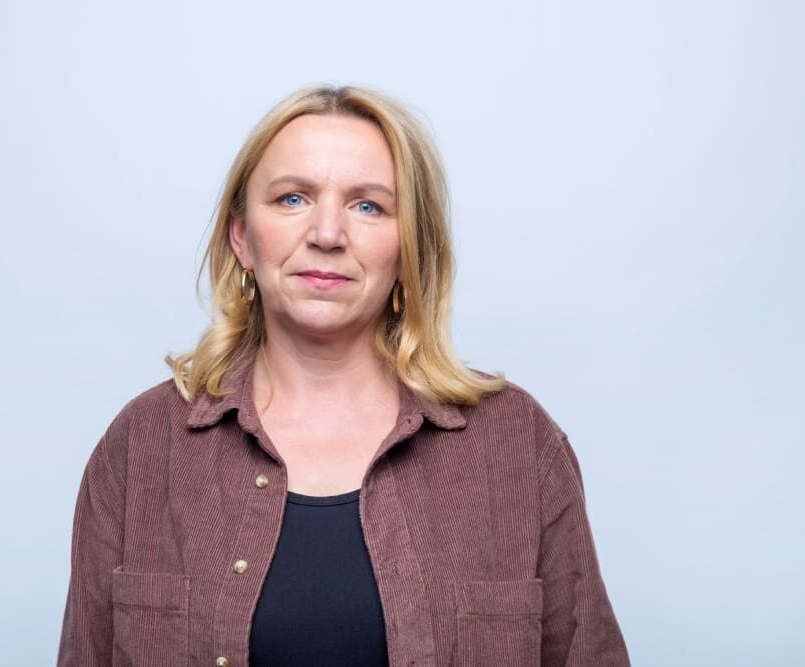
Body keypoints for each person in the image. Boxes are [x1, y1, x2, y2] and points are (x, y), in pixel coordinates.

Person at [57, 84, 630, 667]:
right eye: (291, 199)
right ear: (241, 240)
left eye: (368, 206)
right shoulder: (145, 445)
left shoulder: (516, 444)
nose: (327, 234)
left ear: (410, 251)